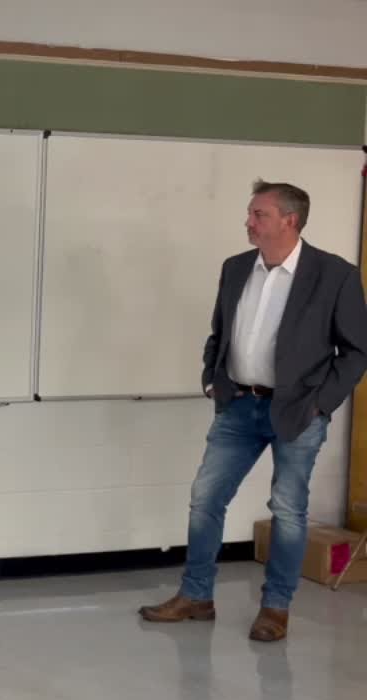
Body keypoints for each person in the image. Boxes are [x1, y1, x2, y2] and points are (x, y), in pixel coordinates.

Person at [139, 179, 367, 641]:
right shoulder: (236, 267)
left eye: (258, 214)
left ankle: (275, 609)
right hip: (238, 405)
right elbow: (219, 333)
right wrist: (212, 377)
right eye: (250, 213)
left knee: (287, 510)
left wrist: (322, 405)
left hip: (298, 411)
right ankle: (196, 595)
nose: (248, 222)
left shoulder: (334, 275)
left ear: (290, 220)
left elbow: (357, 352)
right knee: (206, 499)